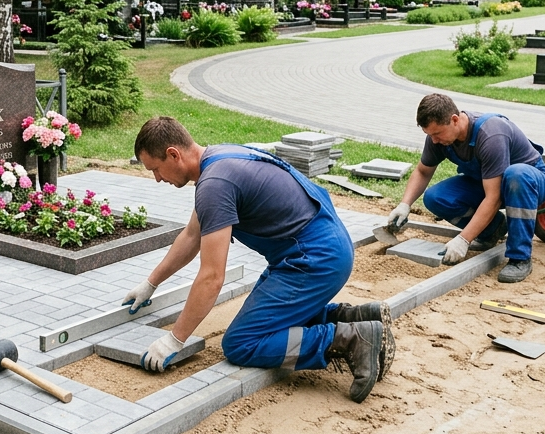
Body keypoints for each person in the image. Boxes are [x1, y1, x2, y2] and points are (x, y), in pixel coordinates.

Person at [125, 117, 391, 403]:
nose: (157, 178)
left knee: (242, 342)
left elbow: (212, 278)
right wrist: (151, 284)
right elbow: (192, 236)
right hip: (321, 248)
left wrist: (174, 340)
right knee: (266, 320)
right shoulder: (218, 160)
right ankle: (352, 318)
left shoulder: (214, 185)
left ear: (173, 154)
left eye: (155, 169)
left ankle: (350, 339)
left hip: (313, 260)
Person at [388, 94, 545, 283]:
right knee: (436, 197)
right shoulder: (438, 138)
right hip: (488, 182)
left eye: (437, 134)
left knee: (516, 175)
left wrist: (463, 239)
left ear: (454, 120)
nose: (433, 140)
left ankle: (520, 257)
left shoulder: (490, 135)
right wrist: (404, 204)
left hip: (528, 184)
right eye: (429, 135)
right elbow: (422, 171)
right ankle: (493, 229)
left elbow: (493, 198)